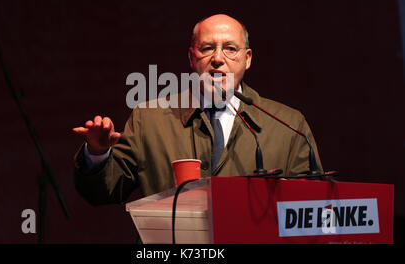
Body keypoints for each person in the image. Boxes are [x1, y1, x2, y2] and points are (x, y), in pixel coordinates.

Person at [72, 14, 323, 206]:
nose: (217, 58)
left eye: (230, 49)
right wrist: (97, 154)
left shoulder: (287, 125)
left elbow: (310, 211)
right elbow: (102, 193)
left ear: (247, 58)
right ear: (192, 57)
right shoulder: (150, 119)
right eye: (207, 48)